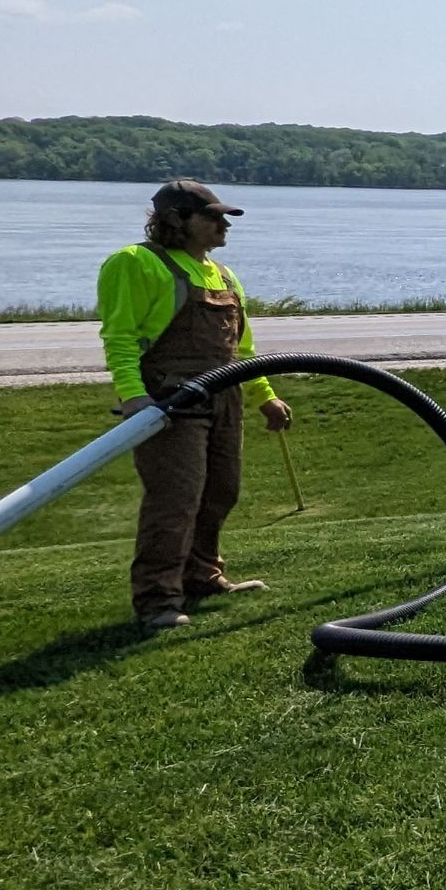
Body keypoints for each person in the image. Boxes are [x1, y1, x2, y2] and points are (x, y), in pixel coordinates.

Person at [97, 180, 292, 630]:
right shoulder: (135, 263)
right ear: (177, 220)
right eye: (214, 217)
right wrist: (135, 398)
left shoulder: (223, 275)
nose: (224, 225)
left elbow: (242, 349)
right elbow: (120, 337)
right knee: (175, 501)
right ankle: (157, 600)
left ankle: (202, 575)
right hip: (170, 401)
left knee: (222, 491)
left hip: (225, 395)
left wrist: (266, 397)